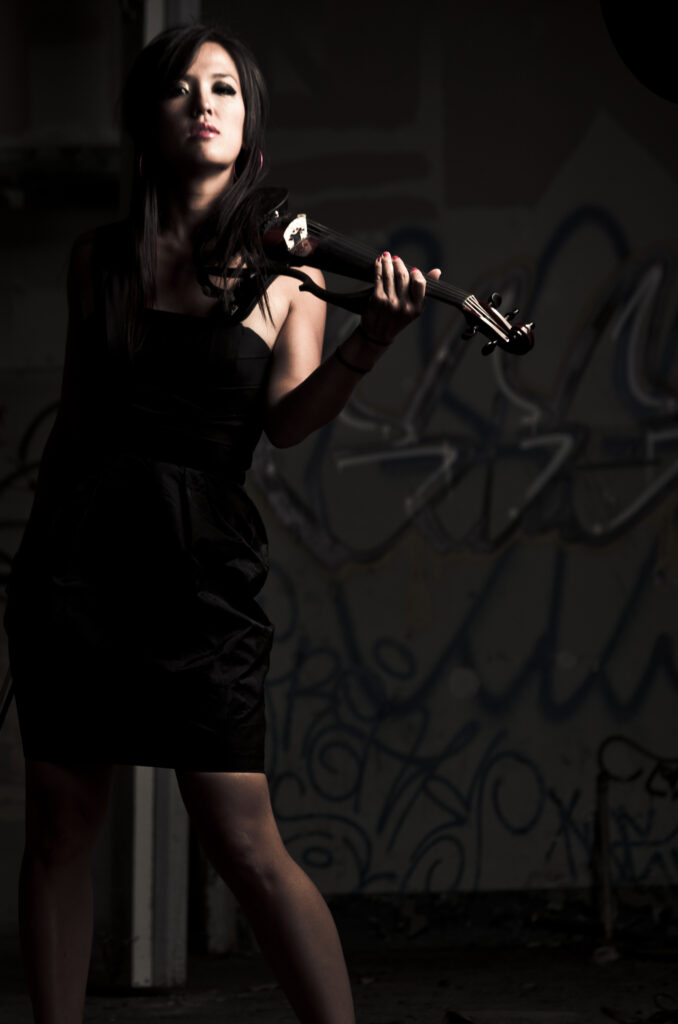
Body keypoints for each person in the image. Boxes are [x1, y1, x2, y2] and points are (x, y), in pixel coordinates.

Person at [4, 23, 441, 1024]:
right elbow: (82, 423)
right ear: (147, 122)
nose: (205, 103)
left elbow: (286, 424)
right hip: (77, 571)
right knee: (62, 830)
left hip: (201, 575)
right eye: (182, 89)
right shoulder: (97, 260)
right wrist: (39, 577)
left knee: (243, 839)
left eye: (226, 90)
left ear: (248, 125)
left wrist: (370, 340)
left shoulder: (288, 276)